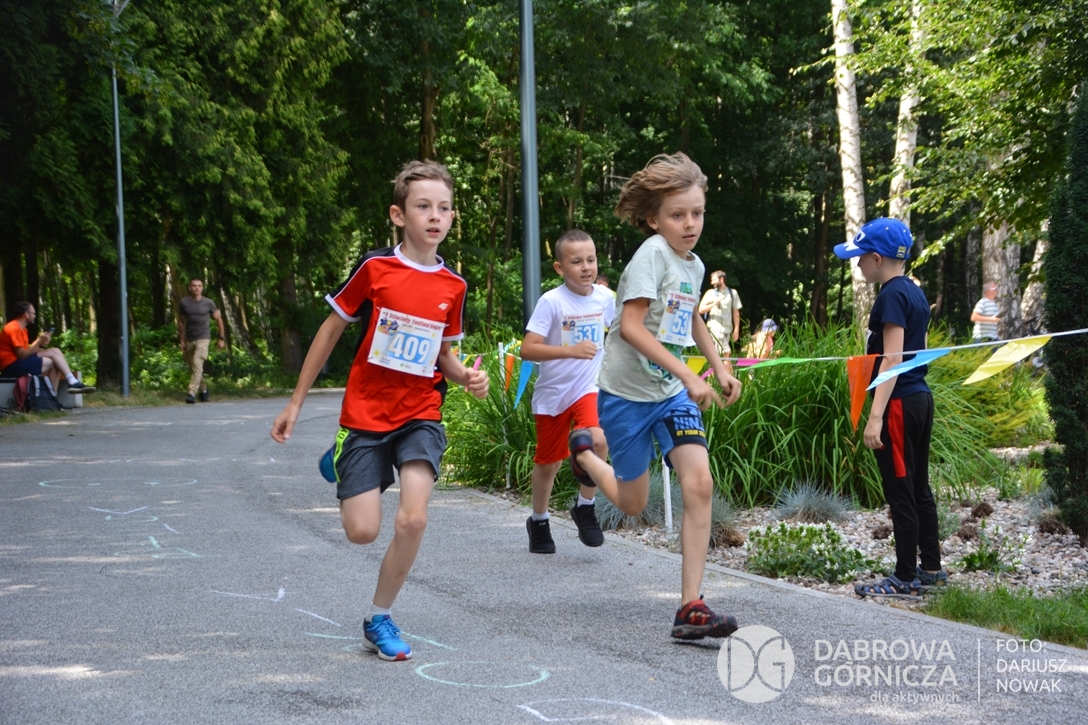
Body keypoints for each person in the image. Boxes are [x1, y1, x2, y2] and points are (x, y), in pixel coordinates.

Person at [270, 160, 489, 662]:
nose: (434, 216)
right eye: (423, 206)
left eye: (444, 208)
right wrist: (296, 403)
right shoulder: (375, 269)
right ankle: (343, 457)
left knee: (413, 519)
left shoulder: (453, 286)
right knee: (362, 531)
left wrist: (466, 377)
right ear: (398, 215)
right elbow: (330, 330)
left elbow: (444, 355)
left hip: (420, 412)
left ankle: (379, 617)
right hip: (366, 414)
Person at [570, 152, 743, 640]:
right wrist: (689, 375)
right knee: (632, 503)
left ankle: (690, 606)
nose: (690, 224)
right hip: (626, 396)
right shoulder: (651, 255)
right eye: (677, 215)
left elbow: (689, 320)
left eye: (697, 213)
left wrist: (717, 367)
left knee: (699, 483)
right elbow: (629, 326)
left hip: (670, 395)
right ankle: (585, 455)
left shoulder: (694, 264)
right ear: (654, 219)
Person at [834, 217, 946, 600]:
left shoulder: (891, 296)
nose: (858, 263)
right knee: (918, 487)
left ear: (877, 259)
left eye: (860, 257)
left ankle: (905, 577)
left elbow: (893, 358)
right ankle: (931, 570)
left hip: (898, 403)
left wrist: (875, 415)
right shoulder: (914, 291)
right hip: (920, 398)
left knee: (900, 490)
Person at [520, 230, 615, 554]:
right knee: (549, 464)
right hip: (553, 393)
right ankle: (539, 521)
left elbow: (622, 332)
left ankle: (585, 507)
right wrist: (570, 351)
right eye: (577, 262)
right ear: (560, 267)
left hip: (589, 386)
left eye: (591, 260)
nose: (586, 267)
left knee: (598, 440)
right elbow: (528, 349)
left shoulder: (604, 298)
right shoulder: (552, 301)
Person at [0, 301, 95, 395]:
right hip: (10, 366)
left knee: (55, 351)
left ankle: (71, 381)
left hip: (18, 361)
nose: (35, 316)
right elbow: (22, 355)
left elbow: (28, 352)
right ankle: (54, 396)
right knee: (53, 363)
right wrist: (38, 340)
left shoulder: (23, 329)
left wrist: (41, 344)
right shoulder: (14, 328)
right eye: (33, 313)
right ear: (26, 315)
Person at [178, 279, 226, 404]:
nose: (197, 288)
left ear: (202, 288)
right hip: (190, 339)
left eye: (199, 286)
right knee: (194, 367)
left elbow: (219, 320)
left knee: (197, 363)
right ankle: (204, 391)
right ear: (189, 287)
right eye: (194, 286)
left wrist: (221, 338)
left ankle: (191, 393)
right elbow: (181, 322)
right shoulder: (184, 302)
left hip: (203, 338)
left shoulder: (208, 303)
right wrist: (182, 340)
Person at [697, 270, 741, 357]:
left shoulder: (733, 293)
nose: (712, 282)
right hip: (714, 327)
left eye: (714, 280)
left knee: (719, 354)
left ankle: (719, 366)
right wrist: (713, 304)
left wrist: (736, 330)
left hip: (727, 328)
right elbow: (700, 310)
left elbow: (736, 312)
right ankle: (724, 365)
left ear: (721, 279)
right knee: (726, 351)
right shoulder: (710, 293)